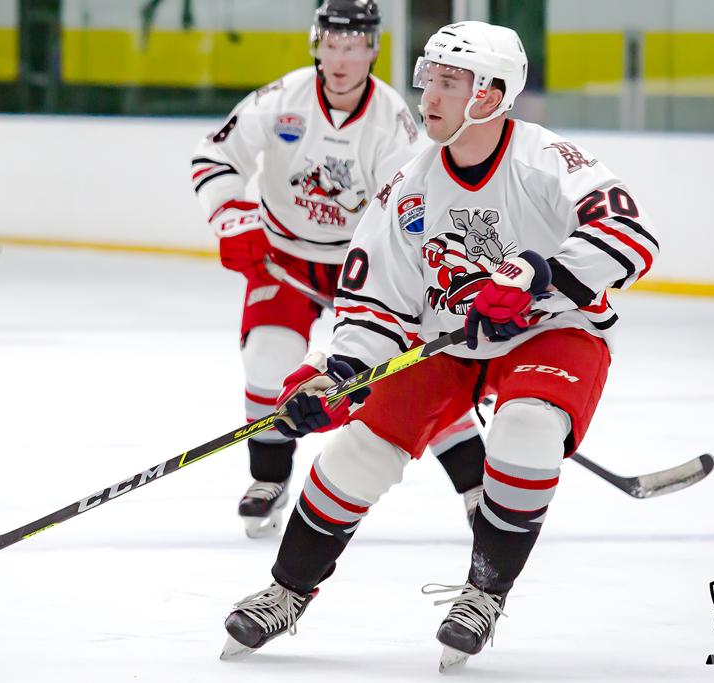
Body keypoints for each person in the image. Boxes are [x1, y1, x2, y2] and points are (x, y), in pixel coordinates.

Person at [219, 20, 660, 670]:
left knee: (527, 427)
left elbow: (630, 230)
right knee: (357, 450)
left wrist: (544, 275)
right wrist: (333, 377)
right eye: (429, 78)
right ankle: (287, 589)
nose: (428, 94)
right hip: (450, 340)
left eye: (449, 81)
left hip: (558, 331)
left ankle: (485, 591)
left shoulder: (544, 159)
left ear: (489, 94)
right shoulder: (406, 186)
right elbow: (375, 306)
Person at [191, 1, 488, 538]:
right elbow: (215, 156)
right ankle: (270, 477)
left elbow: (409, 210)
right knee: (267, 360)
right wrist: (231, 215)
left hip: (362, 262)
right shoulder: (283, 98)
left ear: (373, 48)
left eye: (353, 47)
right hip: (283, 257)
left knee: (412, 372)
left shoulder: (392, 120)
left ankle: (478, 487)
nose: (341, 58)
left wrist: (434, 287)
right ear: (316, 44)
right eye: (332, 45)